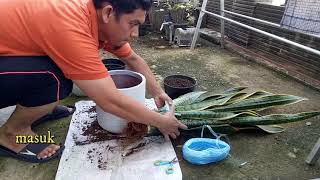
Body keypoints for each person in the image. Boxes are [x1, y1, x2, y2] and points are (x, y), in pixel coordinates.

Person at [0, 0, 187, 163]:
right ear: (108, 13)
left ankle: (40, 107)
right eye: (133, 24)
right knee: (55, 80)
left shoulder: (96, 20)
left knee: (63, 70)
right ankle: (12, 134)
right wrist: (161, 122)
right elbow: (109, 100)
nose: (136, 33)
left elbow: (133, 59)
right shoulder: (71, 25)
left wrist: (156, 91)